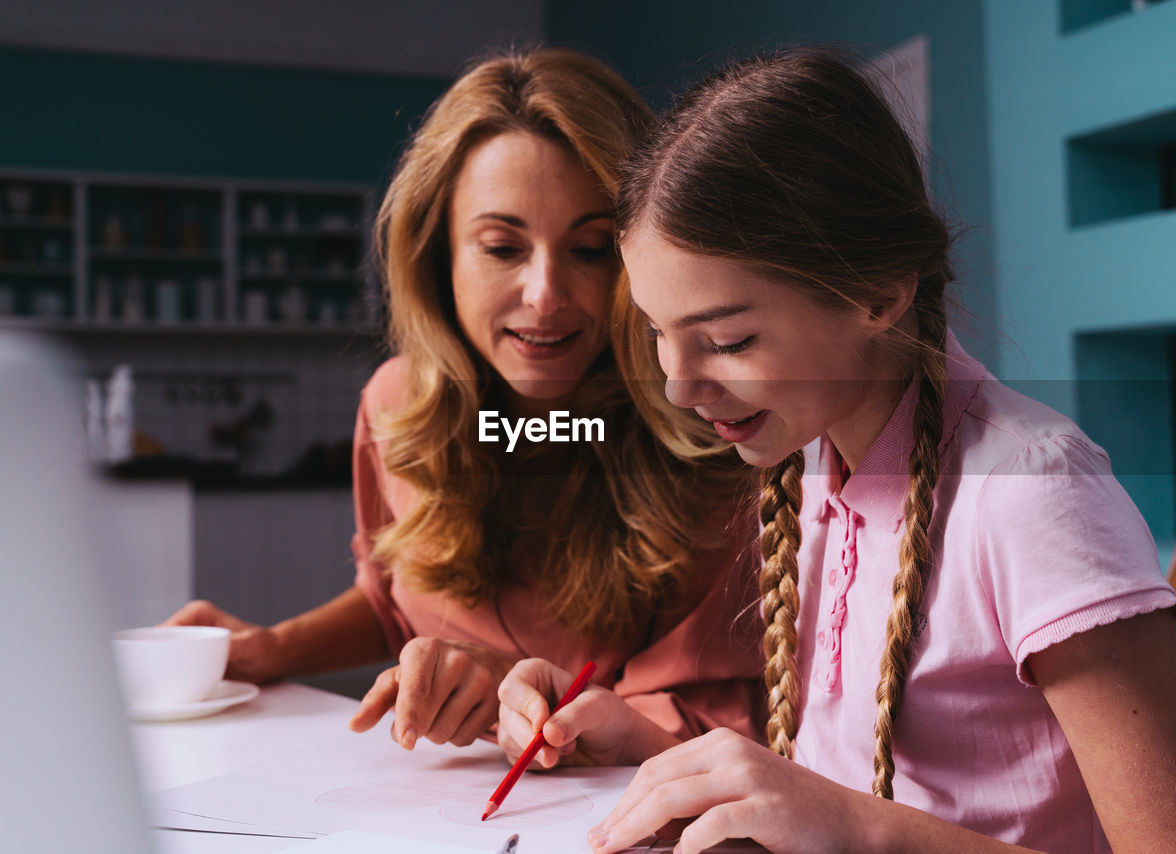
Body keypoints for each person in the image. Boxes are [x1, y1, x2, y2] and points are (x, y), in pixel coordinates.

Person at [495, 48, 1176, 852]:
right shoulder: (816, 457)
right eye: (657, 333)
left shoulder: (1032, 495)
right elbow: (845, 796)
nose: (679, 387)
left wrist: (857, 827)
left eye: (727, 339)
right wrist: (648, 748)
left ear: (878, 294)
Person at [165, 47, 764, 757]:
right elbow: (399, 600)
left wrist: (513, 685)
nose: (545, 295)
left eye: (593, 248)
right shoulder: (395, 407)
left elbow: (719, 716)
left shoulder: (706, 431)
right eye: (502, 248)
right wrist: (274, 648)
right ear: (437, 253)